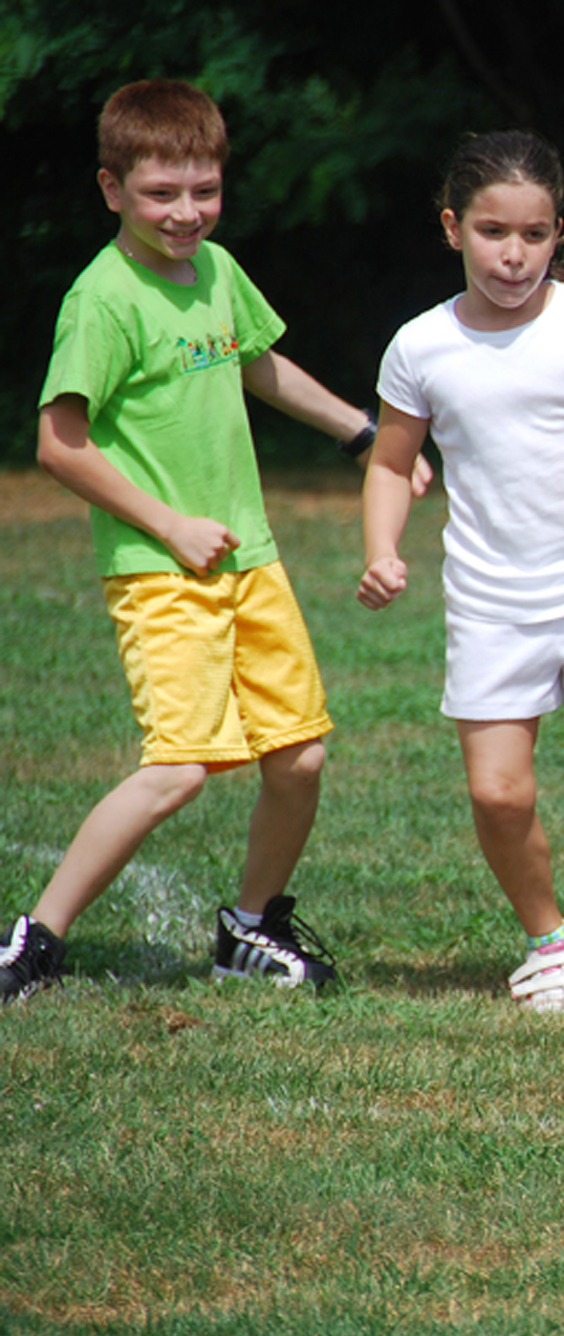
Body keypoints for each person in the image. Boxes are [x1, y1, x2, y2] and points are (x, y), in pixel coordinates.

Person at [2, 79, 388, 1004]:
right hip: (161, 568)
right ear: (111, 189)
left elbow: (259, 364)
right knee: (178, 768)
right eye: (161, 194)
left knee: (299, 753)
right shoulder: (102, 299)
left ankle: (251, 928)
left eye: (204, 191)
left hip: (250, 557)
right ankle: (35, 941)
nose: (186, 213)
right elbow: (59, 446)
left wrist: (364, 433)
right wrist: (170, 523)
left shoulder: (216, 272)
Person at [358, 131, 564, 1013]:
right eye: (493, 232)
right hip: (493, 600)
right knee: (497, 793)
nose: (514, 254)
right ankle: (550, 939)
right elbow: (393, 463)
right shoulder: (421, 345)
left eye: (535, 235)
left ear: (558, 234)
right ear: (452, 228)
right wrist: (382, 550)